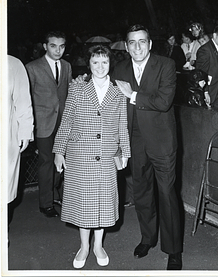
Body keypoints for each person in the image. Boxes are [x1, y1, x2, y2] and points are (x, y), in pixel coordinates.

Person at [52, 45, 130, 269]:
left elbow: (122, 125)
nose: (100, 67)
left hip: (106, 155)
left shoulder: (118, 92)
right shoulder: (77, 89)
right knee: (83, 204)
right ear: (89, 65)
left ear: (110, 64)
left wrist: (124, 151)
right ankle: (84, 246)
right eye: (95, 62)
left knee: (103, 203)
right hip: (80, 155)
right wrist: (59, 151)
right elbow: (66, 121)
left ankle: (98, 245)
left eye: (104, 62)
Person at [113, 24, 183, 270]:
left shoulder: (165, 65)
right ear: (126, 45)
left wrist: (132, 95)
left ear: (150, 44)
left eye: (142, 41)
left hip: (162, 141)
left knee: (166, 194)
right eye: (132, 42)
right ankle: (147, 238)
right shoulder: (120, 68)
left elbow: (164, 102)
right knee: (142, 193)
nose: (137, 47)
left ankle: (173, 250)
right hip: (134, 140)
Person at [26, 31, 72, 217]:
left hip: (63, 122)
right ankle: (46, 203)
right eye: (53, 46)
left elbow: (69, 94)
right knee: (46, 162)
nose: (58, 50)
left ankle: (56, 194)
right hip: (43, 123)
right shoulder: (32, 67)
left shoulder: (67, 66)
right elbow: (27, 99)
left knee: (62, 161)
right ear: (45, 46)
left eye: (61, 46)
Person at [8, 55, 34, 223]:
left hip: (6, 137)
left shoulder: (13, 64)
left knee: (4, 189)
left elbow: (23, 101)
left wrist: (25, 131)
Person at [195, 24, 218, 110]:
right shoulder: (205, 50)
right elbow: (200, 73)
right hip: (208, 92)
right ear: (214, 35)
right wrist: (205, 92)